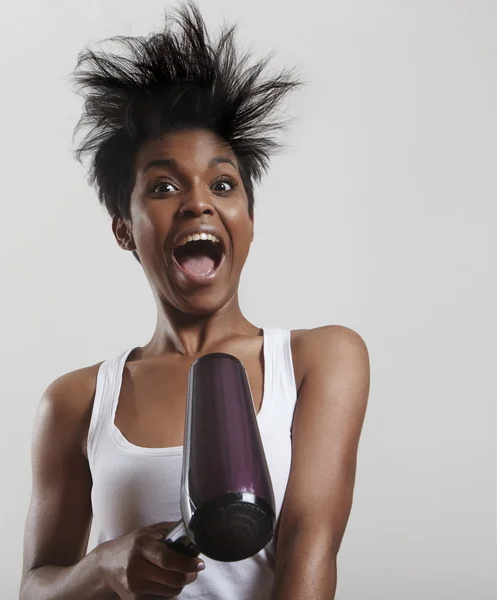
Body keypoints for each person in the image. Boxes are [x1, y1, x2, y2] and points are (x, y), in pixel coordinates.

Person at [19, 2, 370, 599]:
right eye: (162, 186)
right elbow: (34, 590)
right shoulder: (77, 401)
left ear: (249, 221)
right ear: (124, 229)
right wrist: (104, 565)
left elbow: (312, 541)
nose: (198, 202)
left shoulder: (320, 361)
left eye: (223, 183)